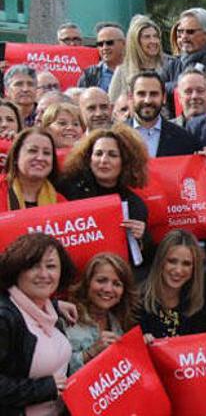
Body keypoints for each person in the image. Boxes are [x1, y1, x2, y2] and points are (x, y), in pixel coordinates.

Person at [58, 125, 152, 277]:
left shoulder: (134, 204)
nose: (104, 160)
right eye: (98, 154)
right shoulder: (68, 188)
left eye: (113, 155)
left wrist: (142, 238)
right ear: (89, 158)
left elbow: (141, 261)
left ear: (126, 161)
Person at [0, 233, 76, 415]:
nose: (44, 274)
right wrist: (45, 389)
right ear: (16, 270)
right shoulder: (4, 318)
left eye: (51, 266)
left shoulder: (49, 310)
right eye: (34, 266)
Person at [66, 253, 137, 373]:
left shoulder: (120, 322)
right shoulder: (68, 317)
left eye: (116, 284)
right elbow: (56, 371)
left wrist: (138, 347)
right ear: (87, 283)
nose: (108, 289)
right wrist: (90, 353)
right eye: (101, 280)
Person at [138, 229, 206, 339]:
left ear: (194, 269)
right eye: (172, 261)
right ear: (160, 261)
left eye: (186, 264)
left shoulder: (198, 305)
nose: (178, 270)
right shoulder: (137, 304)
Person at [127, 71, 203, 157]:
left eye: (154, 94)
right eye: (141, 94)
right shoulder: (116, 136)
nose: (147, 100)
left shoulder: (183, 139)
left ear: (164, 98)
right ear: (131, 97)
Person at [107, 15, 170, 103]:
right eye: (147, 37)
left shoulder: (169, 65)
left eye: (155, 36)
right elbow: (113, 104)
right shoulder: (123, 71)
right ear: (136, 41)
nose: (153, 41)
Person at [0, 128, 65, 211]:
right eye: (32, 151)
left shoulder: (61, 203)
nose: (40, 158)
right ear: (16, 156)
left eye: (46, 153)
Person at [159, 7, 206, 87]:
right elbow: (156, 88)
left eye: (190, 32)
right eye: (180, 31)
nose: (184, 37)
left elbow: (198, 87)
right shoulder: (173, 64)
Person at [76, 22, 126, 92]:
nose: (104, 47)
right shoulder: (90, 74)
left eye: (109, 43)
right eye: (100, 44)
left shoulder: (136, 70)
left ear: (124, 43)